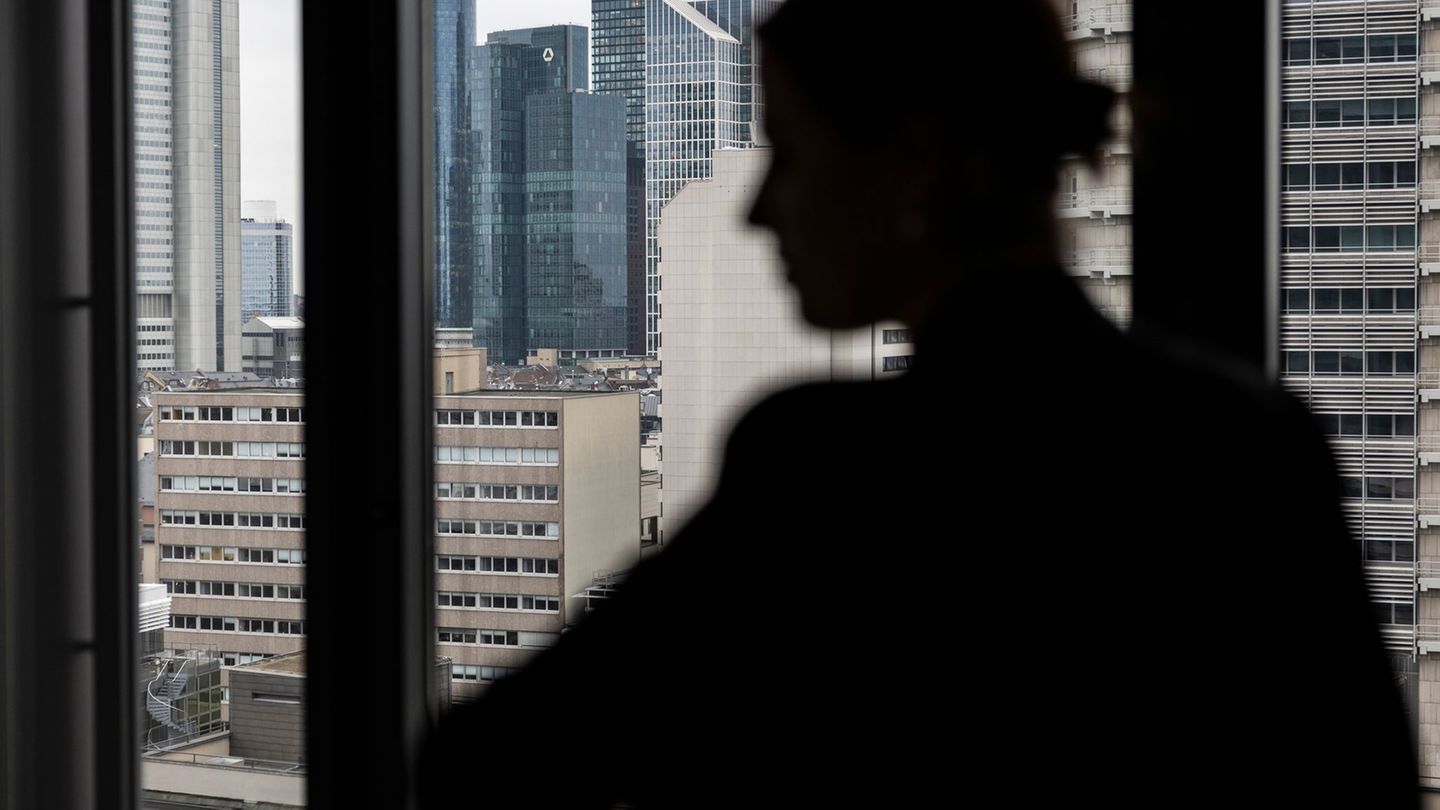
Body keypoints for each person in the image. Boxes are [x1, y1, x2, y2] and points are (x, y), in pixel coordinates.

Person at [420, 2, 1418, 806]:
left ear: (914, 163)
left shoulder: (827, 469)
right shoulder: (1253, 441)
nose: (764, 208)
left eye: (792, 151)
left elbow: (486, 760)